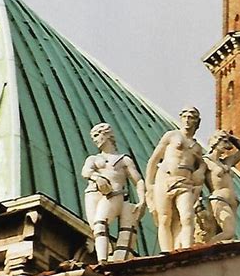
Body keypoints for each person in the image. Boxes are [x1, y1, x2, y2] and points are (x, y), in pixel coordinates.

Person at [82, 122, 146, 263]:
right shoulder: (93, 159)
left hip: (114, 194)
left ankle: (102, 261)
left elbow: (139, 181)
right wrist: (97, 177)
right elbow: (85, 171)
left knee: (100, 223)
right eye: (93, 136)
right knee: (96, 229)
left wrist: (142, 201)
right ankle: (110, 254)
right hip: (92, 193)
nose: (95, 139)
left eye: (98, 135)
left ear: (108, 134)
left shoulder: (123, 160)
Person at [146, 106, 205, 252]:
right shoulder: (171, 136)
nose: (187, 120)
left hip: (185, 183)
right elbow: (154, 159)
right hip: (165, 179)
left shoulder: (197, 147)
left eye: (191, 117)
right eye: (185, 116)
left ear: (197, 122)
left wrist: (201, 170)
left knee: (187, 216)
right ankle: (166, 251)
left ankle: (185, 249)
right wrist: (149, 183)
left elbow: (202, 165)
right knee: (164, 218)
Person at [202, 130, 240, 243]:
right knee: (229, 232)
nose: (227, 145)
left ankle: (214, 252)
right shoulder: (205, 161)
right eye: (224, 141)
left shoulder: (226, 161)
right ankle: (206, 247)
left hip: (232, 202)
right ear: (216, 142)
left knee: (227, 236)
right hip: (219, 199)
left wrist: (230, 137)